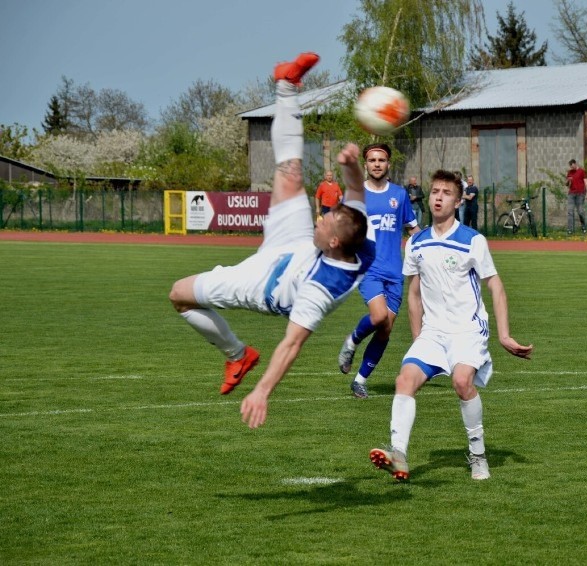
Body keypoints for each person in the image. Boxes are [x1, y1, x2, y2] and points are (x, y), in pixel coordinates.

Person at [168, 52, 374, 429]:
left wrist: (262, 390)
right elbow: (357, 191)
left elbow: (291, 345)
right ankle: (287, 86)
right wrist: (350, 165)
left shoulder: (321, 291)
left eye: (326, 220)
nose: (323, 216)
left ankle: (237, 354)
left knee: (179, 295)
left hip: (263, 284)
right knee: (290, 171)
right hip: (295, 248)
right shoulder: (358, 234)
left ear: (331, 242)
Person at [368, 169, 533, 482]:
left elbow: (495, 286)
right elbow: (414, 295)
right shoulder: (416, 242)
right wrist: (418, 339)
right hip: (433, 333)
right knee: (405, 380)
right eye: (434, 192)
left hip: (468, 330)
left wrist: (504, 335)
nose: (438, 197)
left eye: (445, 193)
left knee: (461, 382)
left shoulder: (473, 240)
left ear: (458, 201)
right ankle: (398, 454)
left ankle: (478, 454)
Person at [337, 143, 420, 399]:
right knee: (378, 316)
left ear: (388, 164)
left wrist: (426, 250)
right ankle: (351, 342)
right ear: (365, 164)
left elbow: (413, 229)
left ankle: (360, 380)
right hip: (368, 268)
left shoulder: (400, 195)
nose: (376, 164)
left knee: (386, 329)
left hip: (395, 271)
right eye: (372, 160)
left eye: (381, 160)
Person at [565, 159, 587, 234]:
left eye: (572, 166)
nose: (572, 168)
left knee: (580, 211)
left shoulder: (581, 171)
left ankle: (583, 226)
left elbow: (586, 181)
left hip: (580, 194)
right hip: (571, 194)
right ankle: (570, 229)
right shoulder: (569, 172)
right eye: (570, 167)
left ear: (575, 164)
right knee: (570, 211)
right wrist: (568, 180)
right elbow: (566, 184)